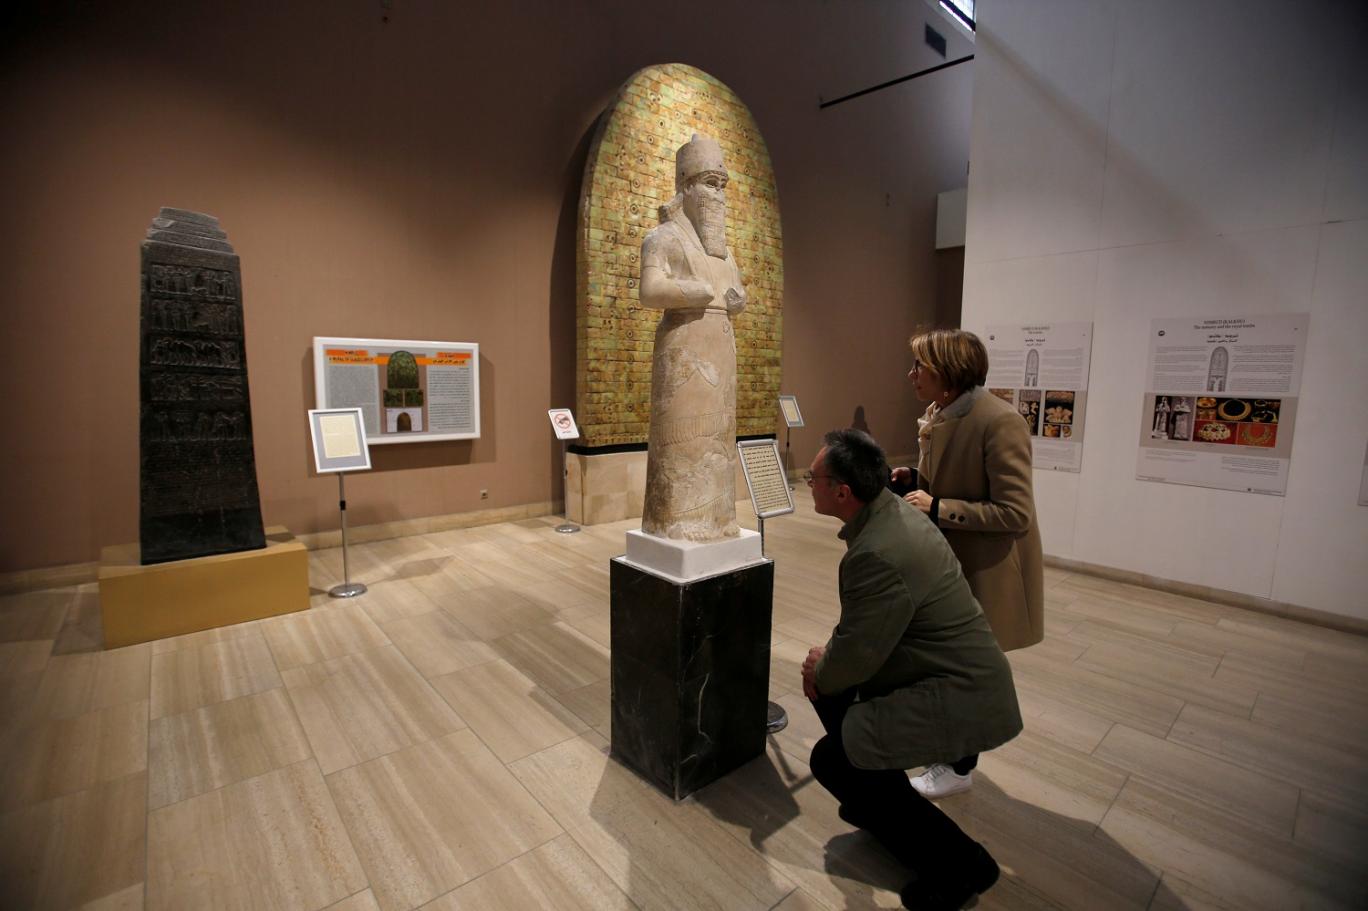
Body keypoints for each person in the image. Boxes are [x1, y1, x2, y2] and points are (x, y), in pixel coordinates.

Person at [802, 429, 1022, 910]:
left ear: (842, 491)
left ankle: (964, 867)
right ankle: (876, 801)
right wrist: (832, 659)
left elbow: (856, 654)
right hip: (945, 676)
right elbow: (867, 634)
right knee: (839, 717)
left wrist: (822, 666)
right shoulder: (890, 517)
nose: (808, 483)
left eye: (813, 478)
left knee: (832, 757)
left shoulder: (878, 550)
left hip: (959, 694)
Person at [889, 329, 1044, 799]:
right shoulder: (943, 413)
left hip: (986, 568)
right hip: (951, 565)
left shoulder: (1000, 421)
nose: (911, 375)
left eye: (919, 366)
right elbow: (958, 480)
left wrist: (937, 506)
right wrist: (917, 480)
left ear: (947, 372)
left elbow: (1014, 513)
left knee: (968, 670)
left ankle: (959, 767)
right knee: (945, 662)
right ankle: (944, 747)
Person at [638, 132, 747, 541]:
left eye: (722, 185)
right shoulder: (662, 238)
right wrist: (693, 292)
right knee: (683, 440)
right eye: (709, 183)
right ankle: (674, 523)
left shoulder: (725, 252)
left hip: (720, 350)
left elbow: (735, 290)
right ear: (685, 187)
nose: (718, 194)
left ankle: (717, 519)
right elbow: (650, 291)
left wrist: (737, 300)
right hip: (684, 350)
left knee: (717, 440)